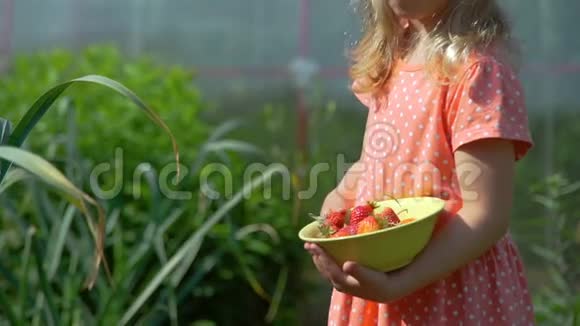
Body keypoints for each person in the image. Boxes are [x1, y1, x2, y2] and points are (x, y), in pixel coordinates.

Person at [304, 0, 535, 324]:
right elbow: (375, 161)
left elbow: (485, 215)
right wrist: (338, 207)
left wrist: (398, 284)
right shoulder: (393, 61)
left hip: (450, 288)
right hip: (384, 280)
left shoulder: (476, 74)